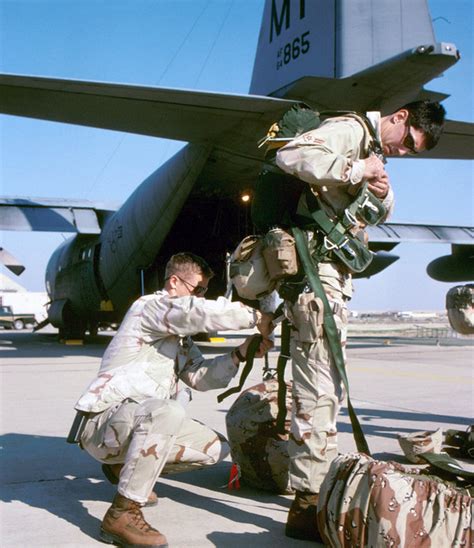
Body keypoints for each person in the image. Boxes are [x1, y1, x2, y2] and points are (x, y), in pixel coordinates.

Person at [258, 101, 446, 541]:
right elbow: (292, 156)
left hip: (330, 281)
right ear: (400, 118)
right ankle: (306, 503)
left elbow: (378, 206)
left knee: (327, 389)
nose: (404, 153)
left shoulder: (369, 148)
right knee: (318, 390)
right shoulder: (348, 130)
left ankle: (313, 490)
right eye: (408, 143)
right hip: (315, 279)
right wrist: (358, 169)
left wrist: (378, 188)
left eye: (412, 153)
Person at [73, 252, 273, 547]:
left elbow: (200, 377)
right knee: (166, 411)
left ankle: (123, 469)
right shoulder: (149, 307)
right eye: (198, 289)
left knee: (214, 449)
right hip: (102, 423)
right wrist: (255, 317)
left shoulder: (180, 340)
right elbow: (197, 312)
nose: (202, 296)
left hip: (133, 423)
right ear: (174, 282)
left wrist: (240, 354)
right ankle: (122, 514)